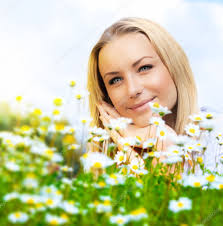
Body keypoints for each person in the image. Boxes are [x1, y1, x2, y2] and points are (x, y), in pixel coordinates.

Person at [87, 17, 223, 175]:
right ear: (106, 96)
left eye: (144, 68)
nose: (132, 90)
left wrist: (165, 145)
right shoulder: (103, 165)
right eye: (116, 80)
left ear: (174, 66)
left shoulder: (217, 139)